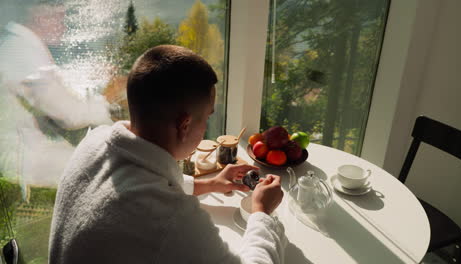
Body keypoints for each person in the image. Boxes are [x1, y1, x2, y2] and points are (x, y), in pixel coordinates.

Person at [48, 45, 287, 263]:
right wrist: (262, 212)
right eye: (207, 117)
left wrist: (211, 183)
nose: (206, 128)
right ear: (184, 125)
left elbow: (139, 179)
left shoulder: (94, 142)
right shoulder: (171, 220)